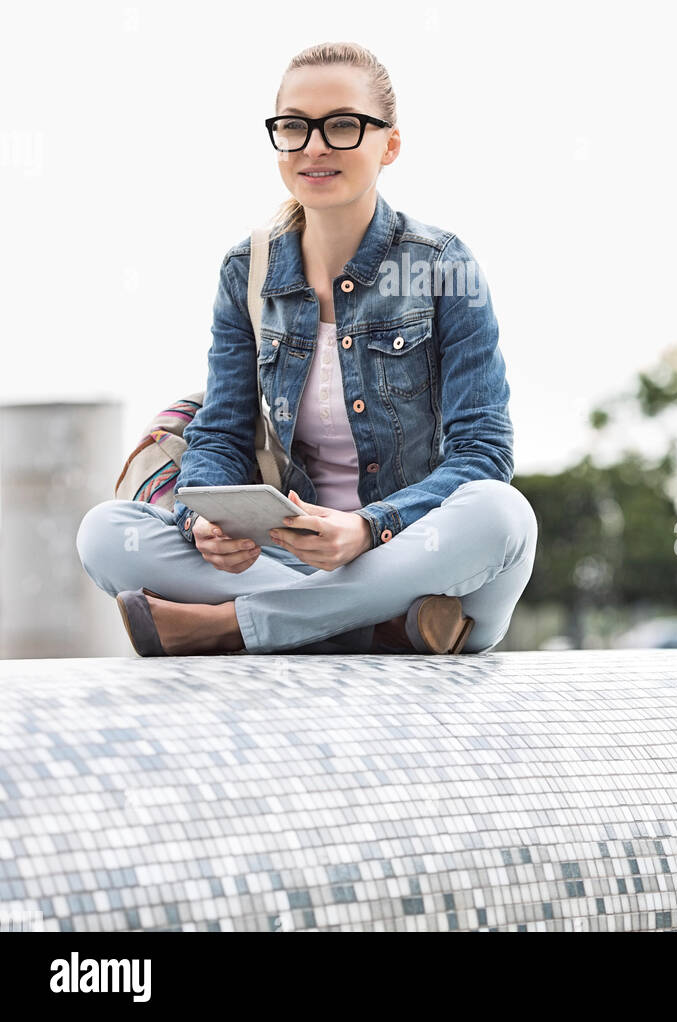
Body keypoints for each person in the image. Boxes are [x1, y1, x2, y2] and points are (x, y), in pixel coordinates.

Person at [76, 41, 538, 657]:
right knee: (105, 532)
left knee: (502, 516)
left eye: (343, 125)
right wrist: (204, 523)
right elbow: (220, 435)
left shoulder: (443, 267)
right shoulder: (247, 271)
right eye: (294, 127)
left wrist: (370, 529)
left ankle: (235, 627)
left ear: (389, 145)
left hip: (419, 555)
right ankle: (376, 625)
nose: (314, 146)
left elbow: (483, 452)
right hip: (292, 563)